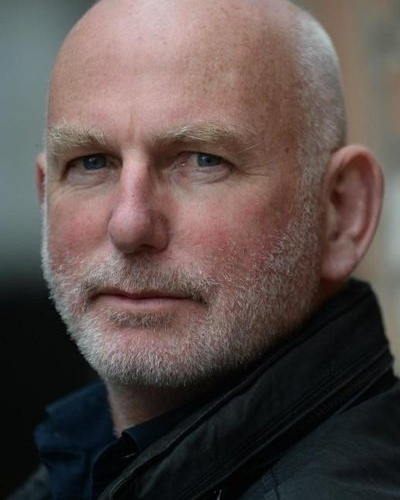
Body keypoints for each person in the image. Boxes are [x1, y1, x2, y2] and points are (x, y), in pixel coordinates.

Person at [10, 0, 400, 498]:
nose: (129, 224)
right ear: (45, 195)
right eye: (92, 163)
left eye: (202, 160)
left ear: (341, 212)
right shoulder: (77, 471)